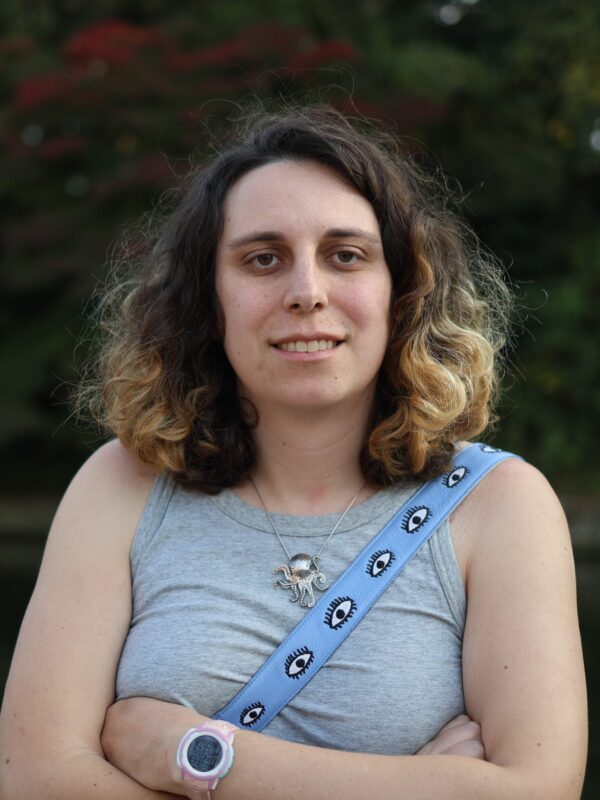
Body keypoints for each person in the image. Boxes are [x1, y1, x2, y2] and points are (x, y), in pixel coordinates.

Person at [0, 106, 587, 799]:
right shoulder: (120, 487)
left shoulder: (500, 506)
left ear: (403, 292)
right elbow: (36, 782)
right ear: (207, 298)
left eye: (346, 255)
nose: (306, 293)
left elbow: (535, 791)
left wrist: (190, 755)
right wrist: (429, 784)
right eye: (262, 258)